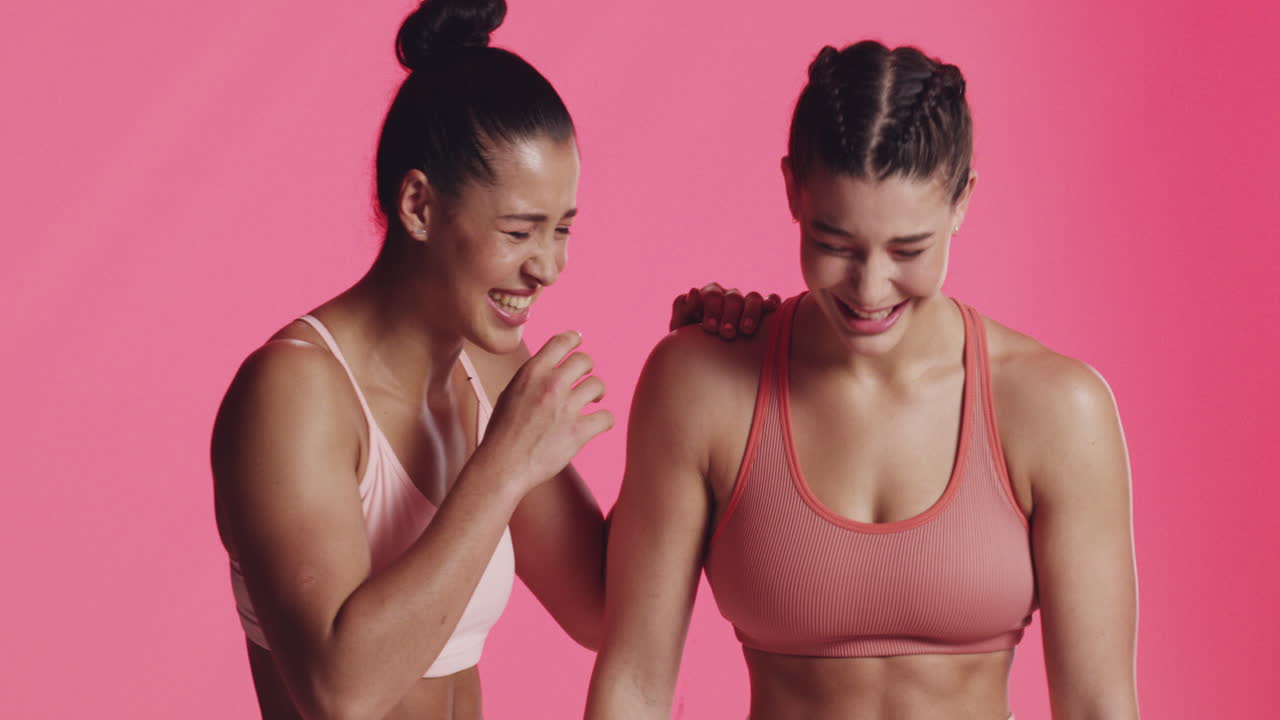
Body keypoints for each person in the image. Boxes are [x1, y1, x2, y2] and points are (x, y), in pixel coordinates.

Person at [210, 1, 767, 718]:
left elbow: (599, 605)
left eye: (562, 229)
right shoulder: (293, 393)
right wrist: (504, 465)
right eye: (520, 231)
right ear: (418, 206)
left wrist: (691, 383)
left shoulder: (487, 365)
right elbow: (337, 692)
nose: (549, 267)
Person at [586, 40, 1139, 720]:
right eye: (835, 244)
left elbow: (1096, 706)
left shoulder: (1057, 410)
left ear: (963, 201)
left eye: (909, 250)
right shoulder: (700, 386)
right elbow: (635, 687)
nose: (870, 288)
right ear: (792, 189)